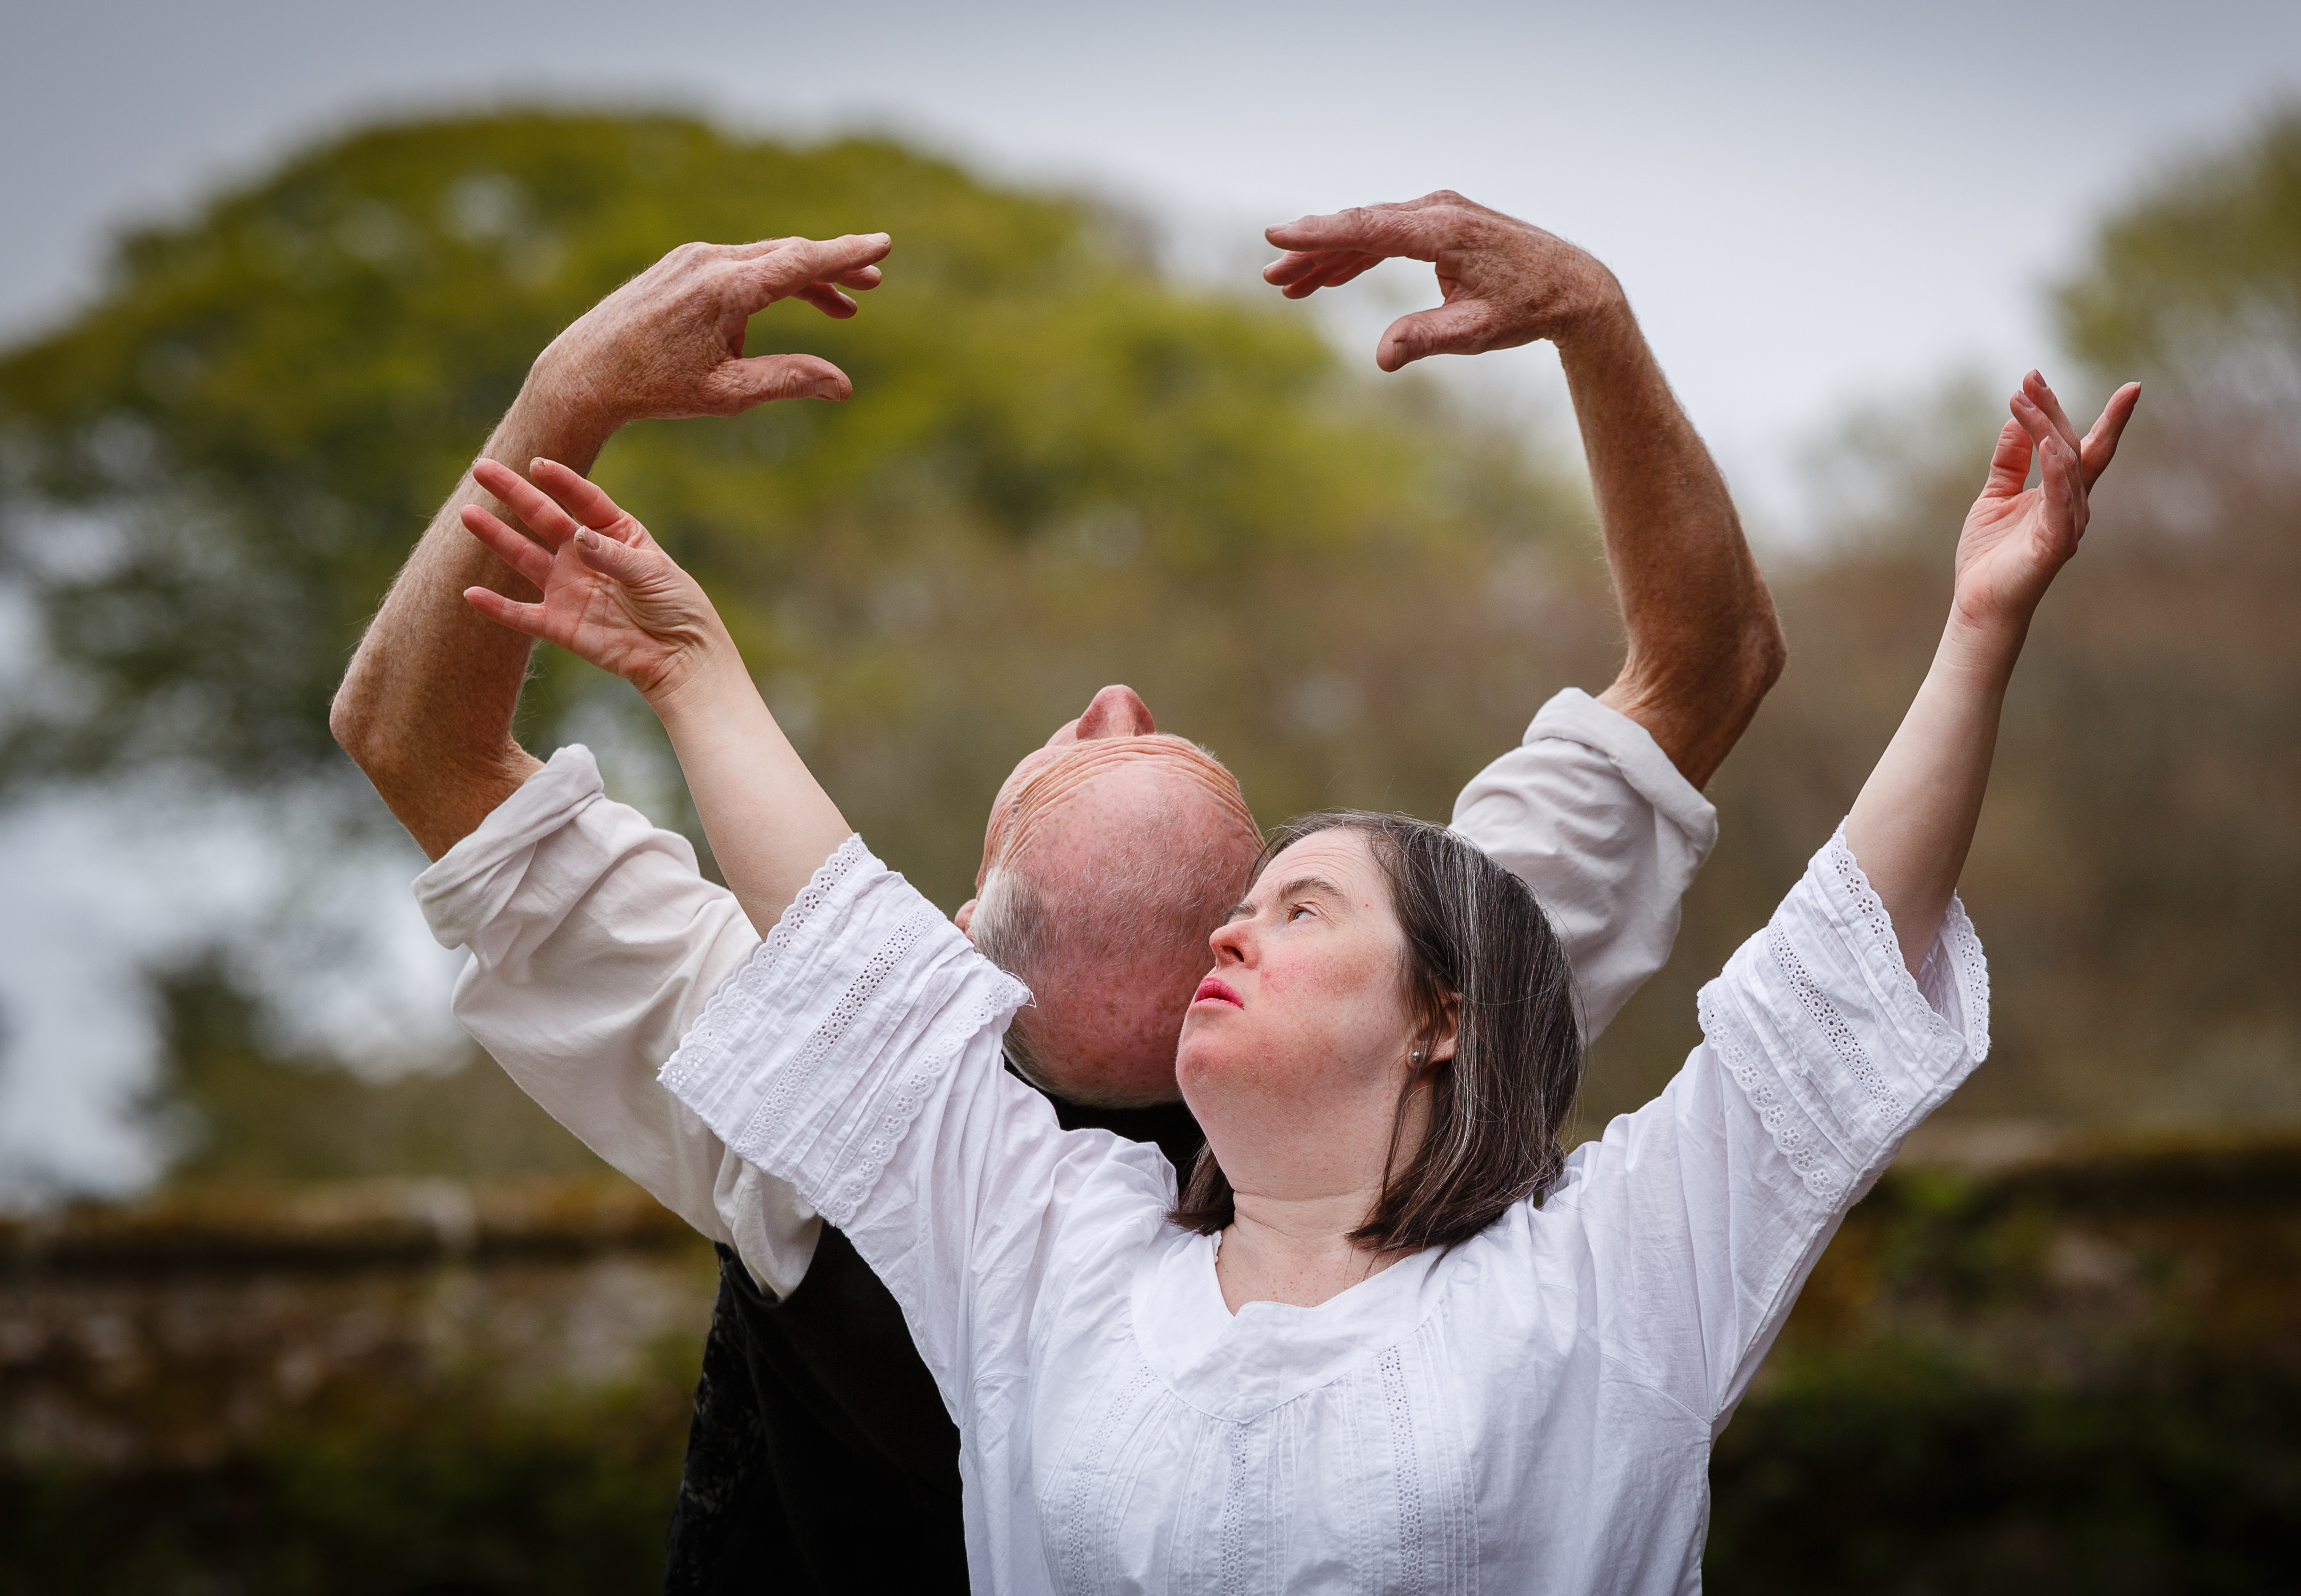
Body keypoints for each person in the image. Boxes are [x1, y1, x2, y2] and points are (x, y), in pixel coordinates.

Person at [452, 349, 2139, 1590]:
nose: (1238, 929)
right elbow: (859, 970)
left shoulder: (1618, 1276)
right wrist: (689, 672)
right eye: (1237, 909)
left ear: (1442, 1017)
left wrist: (1982, 625)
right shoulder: (1044, 1265)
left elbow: (1830, 977)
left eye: (1302, 904)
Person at [329, 193, 1787, 1588]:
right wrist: (1595, 321)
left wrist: (562, 398)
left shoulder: (816, 1098)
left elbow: (414, 742)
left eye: (1090, 746)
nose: (1108, 691)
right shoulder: (1414, 987)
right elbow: (1700, 667)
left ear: (954, 938)